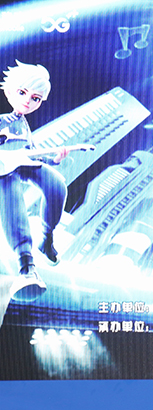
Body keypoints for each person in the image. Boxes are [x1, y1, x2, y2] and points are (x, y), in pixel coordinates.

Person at [0, 60, 67, 301]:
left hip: (24, 163)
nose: (28, 101)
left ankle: (46, 239)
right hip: (3, 170)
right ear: (10, 91)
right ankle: (26, 267)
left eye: (35, 98)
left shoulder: (22, 123)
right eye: (22, 93)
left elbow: (32, 152)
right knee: (12, 201)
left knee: (56, 185)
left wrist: (54, 159)